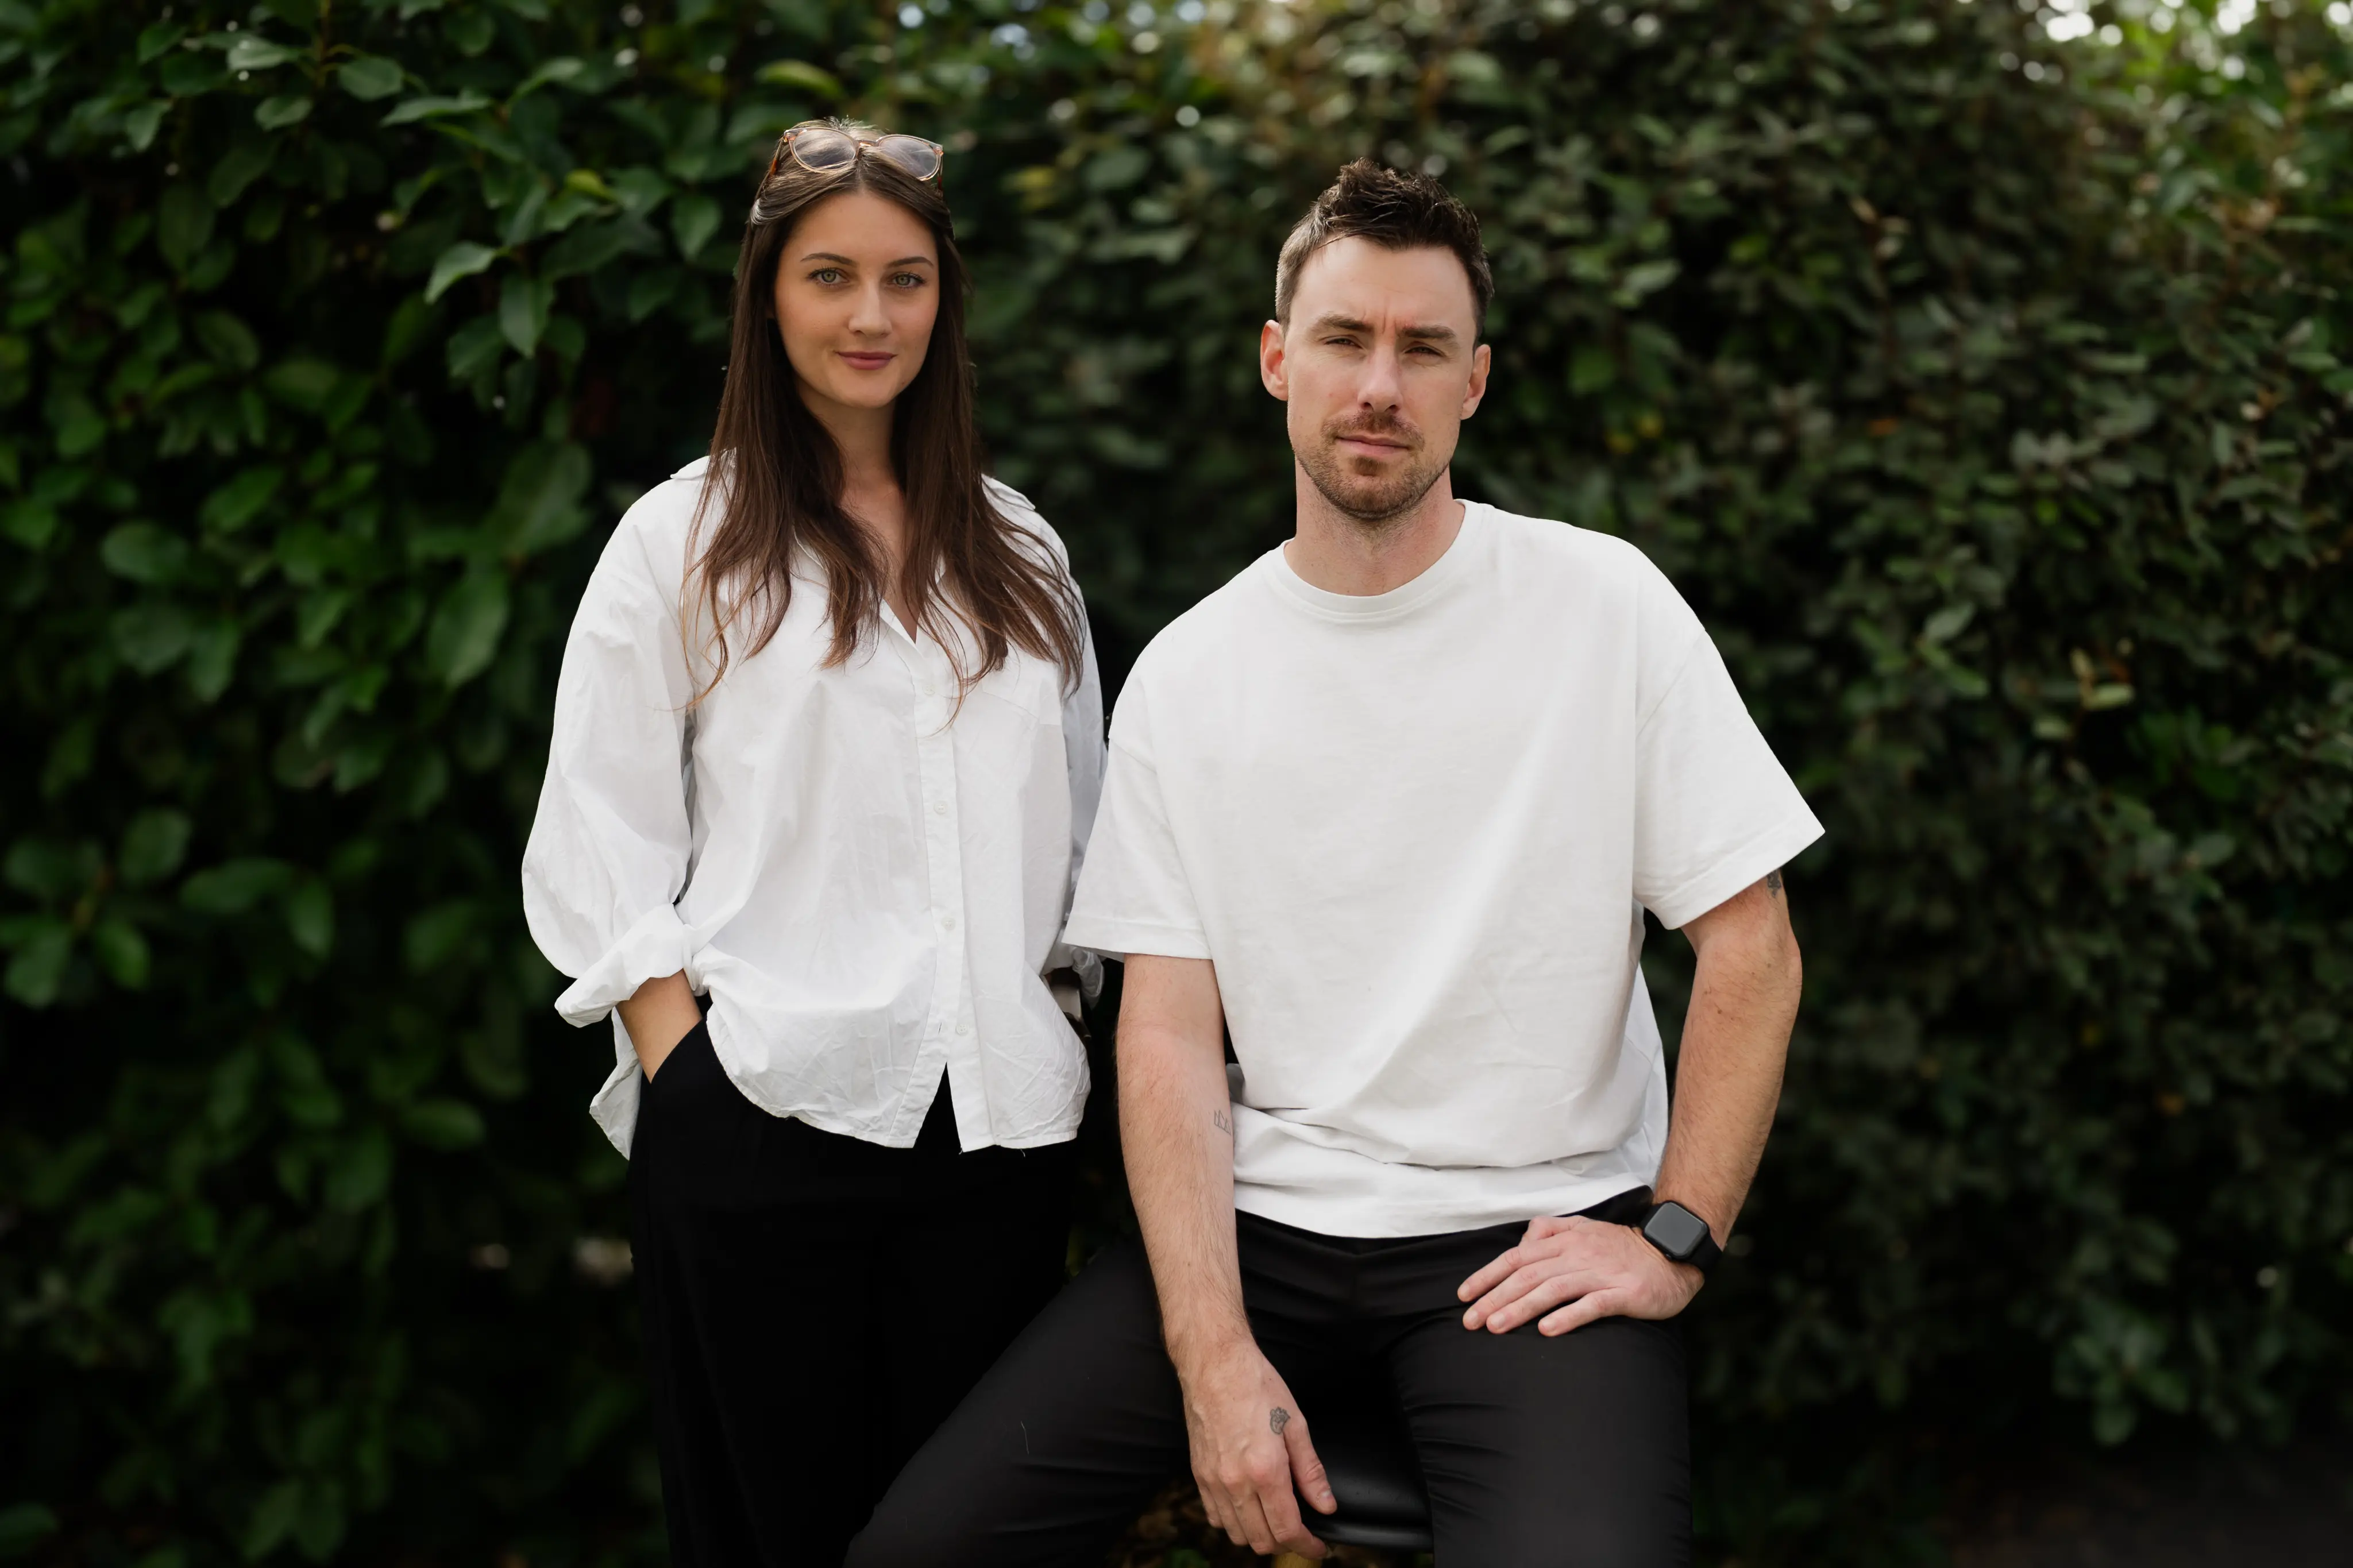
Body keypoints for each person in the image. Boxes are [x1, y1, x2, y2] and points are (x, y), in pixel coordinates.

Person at [848, 159, 1822, 1566]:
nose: (1380, 384)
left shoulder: (1601, 607)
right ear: (1274, 359)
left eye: (1421, 348)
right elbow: (1169, 1040)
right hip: (1264, 1229)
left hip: (1527, 1241)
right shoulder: (1190, 673)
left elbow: (1751, 943)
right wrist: (1212, 1361)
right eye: (1344, 340)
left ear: (1472, 383)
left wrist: (1673, 1235)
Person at [520, 119, 1105, 1567]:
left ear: (943, 299)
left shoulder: (1023, 554)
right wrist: (688, 1074)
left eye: (904, 280)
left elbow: (1089, 847)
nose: (868, 316)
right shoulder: (683, 542)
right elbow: (594, 830)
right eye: (828, 275)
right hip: (763, 1119)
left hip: (1004, 1142)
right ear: (766, 293)